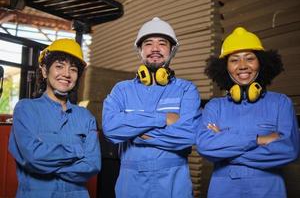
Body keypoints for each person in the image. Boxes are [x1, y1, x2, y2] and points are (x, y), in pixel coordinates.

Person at [102, 17, 201, 198]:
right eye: (148, 44)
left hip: (174, 182)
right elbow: (110, 128)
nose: (155, 49)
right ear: (139, 50)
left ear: (172, 50)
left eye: (162, 43)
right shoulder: (122, 90)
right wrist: (162, 119)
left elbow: (188, 135)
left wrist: (135, 132)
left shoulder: (186, 89)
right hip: (130, 183)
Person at [196, 27, 300, 198]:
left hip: (269, 191)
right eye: (234, 60)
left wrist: (225, 148)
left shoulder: (281, 103)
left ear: (261, 63)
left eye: (250, 58)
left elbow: (289, 150)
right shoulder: (214, 107)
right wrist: (258, 139)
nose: (242, 66)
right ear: (225, 67)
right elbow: (205, 146)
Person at [8, 39, 101, 198]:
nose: (66, 74)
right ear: (44, 71)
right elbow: (33, 157)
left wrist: (47, 166)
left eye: (73, 69)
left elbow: (92, 165)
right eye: (59, 66)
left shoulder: (86, 117)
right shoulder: (26, 109)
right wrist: (78, 151)